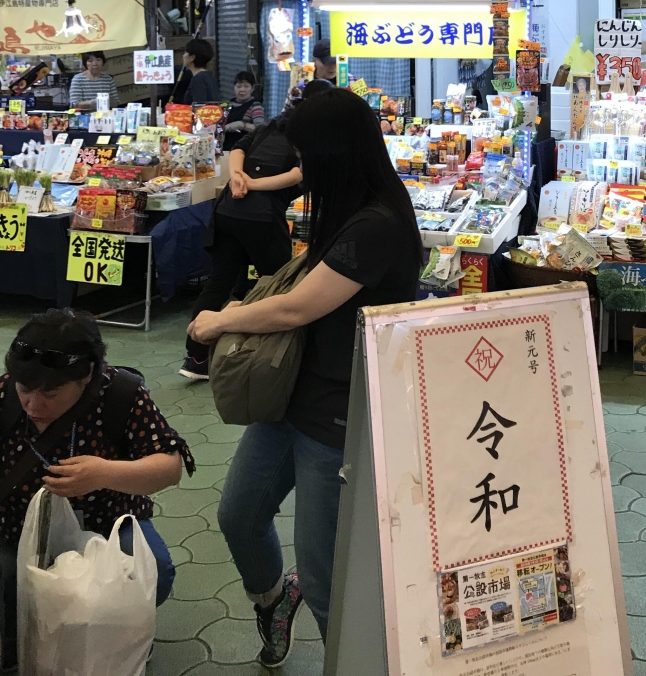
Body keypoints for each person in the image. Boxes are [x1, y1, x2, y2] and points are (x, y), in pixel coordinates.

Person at [188, 87, 421, 664]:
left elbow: (298, 307)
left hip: (337, 416)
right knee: (239, 516)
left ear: (333, 155)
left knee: (325, 577)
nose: (299, 170)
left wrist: (222, 319)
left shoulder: (376, 223)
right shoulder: (347, 209)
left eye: (305, 157)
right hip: (290, 396)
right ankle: (273, 599)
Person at [0, 309, 194, 658]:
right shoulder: (5, 395)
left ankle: (120, 629)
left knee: (152, 571)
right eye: (25, 389)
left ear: (87, 374)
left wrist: (104, 473)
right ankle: (19, 635)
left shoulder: (121, 394)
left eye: (51, 393)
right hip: (15, 524)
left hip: (107, 521)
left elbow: (170, 466)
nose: (33, 405)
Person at [180, 91, 306, 381]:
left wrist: (238, 177)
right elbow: (298, 175)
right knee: (278, 285)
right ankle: (273, 357)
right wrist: (252, 183)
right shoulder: (308, 137)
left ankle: (196, 358)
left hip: (228, 210)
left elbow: (237, 149)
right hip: (262, 218)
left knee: (218, 283)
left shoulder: (268, 126)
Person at [222, 71, 265, 150]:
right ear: (234, 87)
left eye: (246, 86)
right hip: (226, 148)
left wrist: (242, 125)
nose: (242, 89)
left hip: (244, 149)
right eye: (238, 86)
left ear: (252, 88)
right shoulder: (229, 104)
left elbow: (260, 129)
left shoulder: (255, 106)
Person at [182, 38, 218, 105]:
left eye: (185, 52)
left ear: (192, 57)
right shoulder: (208, 76)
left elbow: (199, 107)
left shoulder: (198, 79)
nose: (183, 56)